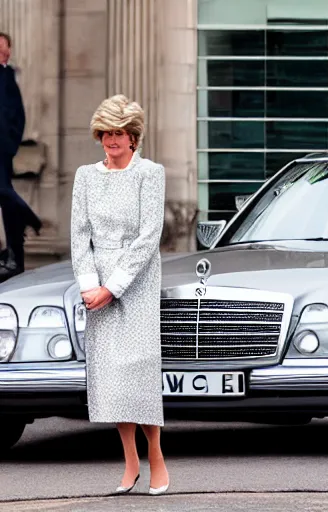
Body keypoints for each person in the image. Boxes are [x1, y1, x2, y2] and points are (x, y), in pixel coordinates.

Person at [70, 94, 169, 495]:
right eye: (106, 133)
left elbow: (149, 236)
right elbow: (80, 236)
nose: (112, 140)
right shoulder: (85, 176)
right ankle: (130, 460)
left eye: (120, 133)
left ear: (133, 137)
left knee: (139, 370)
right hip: (97, 282)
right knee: (111, 375)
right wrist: (90, 286)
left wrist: (114, 287)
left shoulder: (151, 173)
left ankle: (157, 455)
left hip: (138, 279)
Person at [0, 31, 42, 278]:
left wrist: (11, 143)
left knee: (4, 192)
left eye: (3, 48)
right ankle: (15, 253)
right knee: (5, 197)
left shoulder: (7, 75)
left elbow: (15, 115)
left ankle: (30, 220)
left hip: (2, 146)